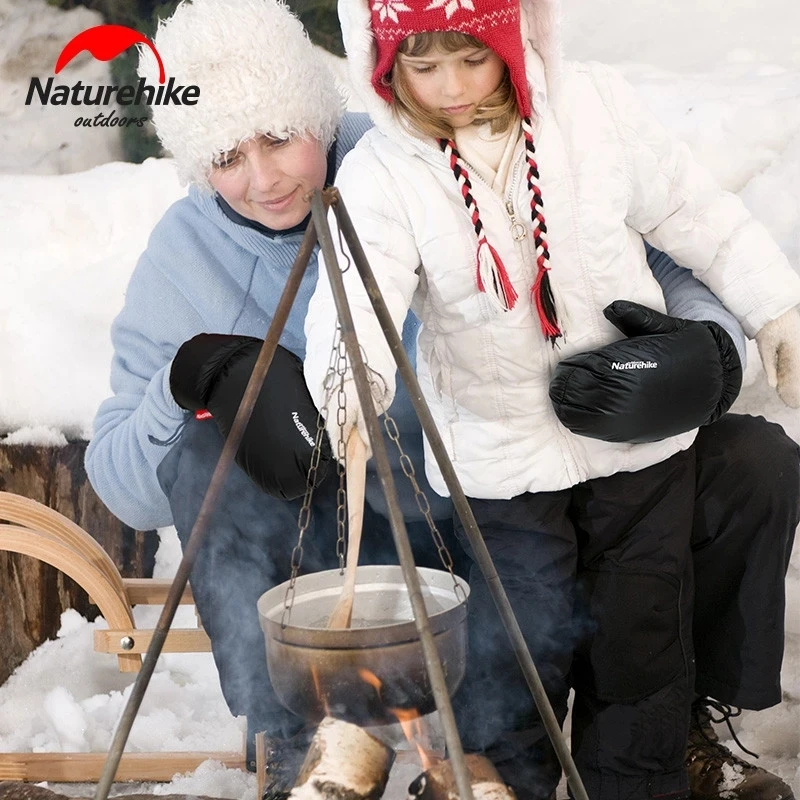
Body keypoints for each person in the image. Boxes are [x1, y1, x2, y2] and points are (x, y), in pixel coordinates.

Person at [83, 0, 797, 798]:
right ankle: (307, 748)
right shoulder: (195, 253)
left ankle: (676, 725)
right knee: (206, 452)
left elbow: (649, 248)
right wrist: (188, 380)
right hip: (365, 556)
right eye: (224, 155)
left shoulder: (414, 147)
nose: (263, 178)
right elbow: (124, 485)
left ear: (321, 110)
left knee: (750, 465)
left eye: (280, 138)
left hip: (525, 479)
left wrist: (707, 354)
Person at [300, 0, 800, 798]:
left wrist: (776, 306)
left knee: (641, 644)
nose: (451, 88)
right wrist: (350, 380)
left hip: (637, 440)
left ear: (509, 35)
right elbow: (355, 294)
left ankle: (635, 784)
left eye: (471, 59)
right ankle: (512, 785)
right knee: (520, 653)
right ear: (386, 62)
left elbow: (694, 212)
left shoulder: (593, 111)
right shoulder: (385, 171)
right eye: (422, 69)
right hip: (499, 465)